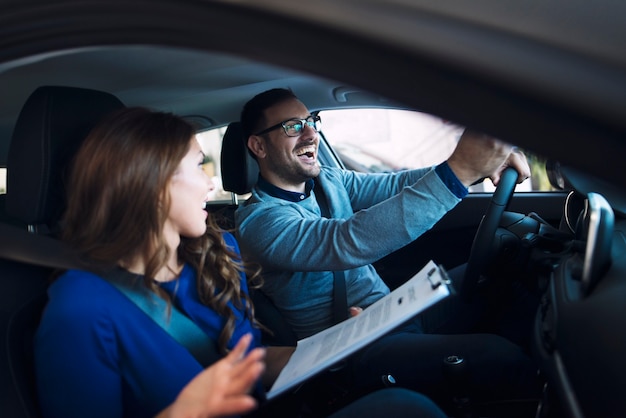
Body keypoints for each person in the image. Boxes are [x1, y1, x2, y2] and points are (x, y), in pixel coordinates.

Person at [34, 107, 448, 418]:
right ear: (151, 184)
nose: (210, 183)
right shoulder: (79, 310)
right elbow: (348, 239)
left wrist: (336, 344)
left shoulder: (215, 253)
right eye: (198, 166)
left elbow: (249, 363)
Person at [235, 88, 542, 414]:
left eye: (312, 121)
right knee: (500, 357)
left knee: (502, 270)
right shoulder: (258, 222)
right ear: (258, 146)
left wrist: (479, 166)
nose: (312, 133)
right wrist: (459, 171)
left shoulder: (330, 180)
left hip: (391, 313)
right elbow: (345, 241)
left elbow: (397, 186)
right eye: (292, 126)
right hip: (351, 353)